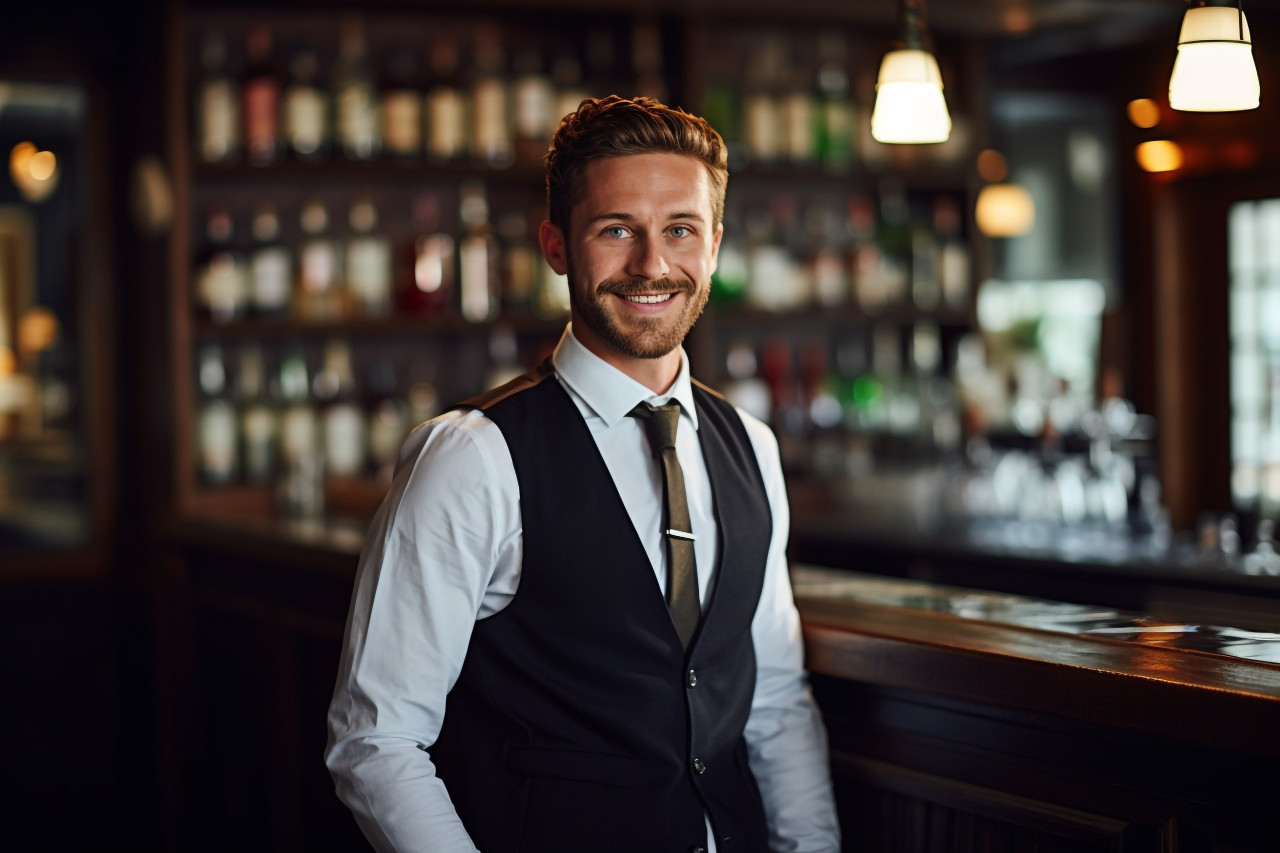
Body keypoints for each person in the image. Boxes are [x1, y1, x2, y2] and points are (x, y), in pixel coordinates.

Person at [325, 95, 840, 853]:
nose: (652, 264)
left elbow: (776, 704)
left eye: (680, 230)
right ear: (557, 245)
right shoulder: (472, 455)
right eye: (616, 230)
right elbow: (376, 739)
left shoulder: (752, 446)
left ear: (716, 245)